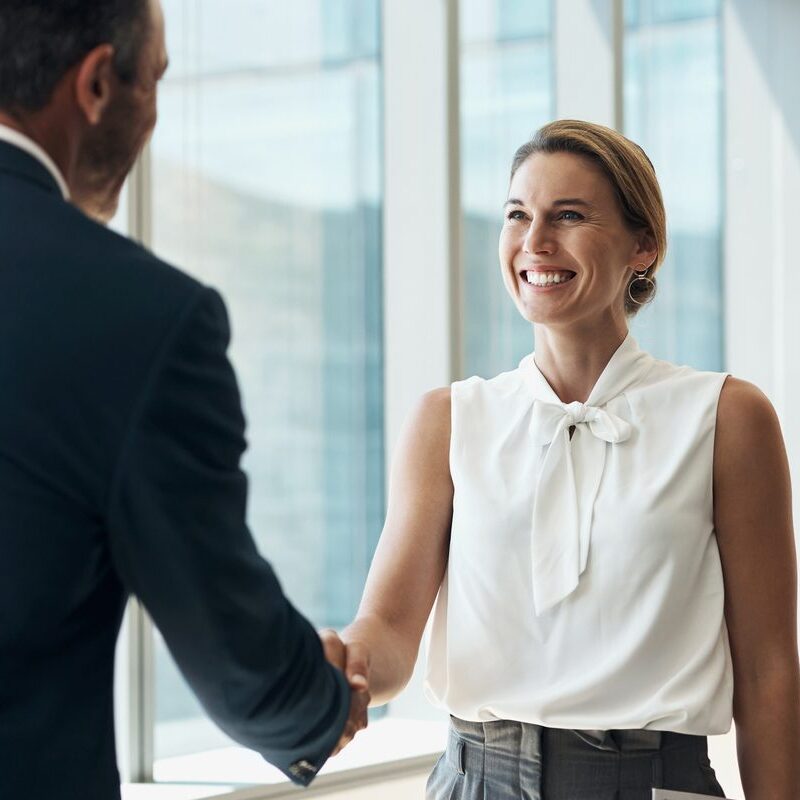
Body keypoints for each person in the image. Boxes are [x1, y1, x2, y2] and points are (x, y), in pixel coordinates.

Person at [324, 120, 800, 798]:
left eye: (568, 216)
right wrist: (349, 665)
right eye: (518, 215)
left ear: (645, 245)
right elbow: (392, 630)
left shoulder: (726, 418)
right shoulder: (448, 420)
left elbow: (769, 673)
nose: (535, 242)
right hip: (473, 782)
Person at [0, 1, 368, 798]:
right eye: (155, 80)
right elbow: (242, 668)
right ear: (98, 83)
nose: (155, 114)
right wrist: (323, 701)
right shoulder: (138, 316)